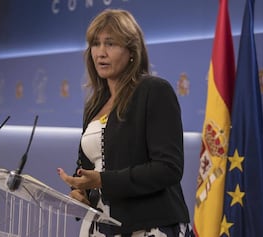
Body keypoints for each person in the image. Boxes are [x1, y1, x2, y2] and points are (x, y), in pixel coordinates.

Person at [57, 8, 194, 237]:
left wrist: (102, 181)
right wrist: (80, 190)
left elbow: (168, 168)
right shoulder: (95, 103)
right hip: (102, 225)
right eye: (95, 44)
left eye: (110, 44)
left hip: (149, 226)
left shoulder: (154, 91)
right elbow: (92, 165)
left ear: (132, 51)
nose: (101, 53)